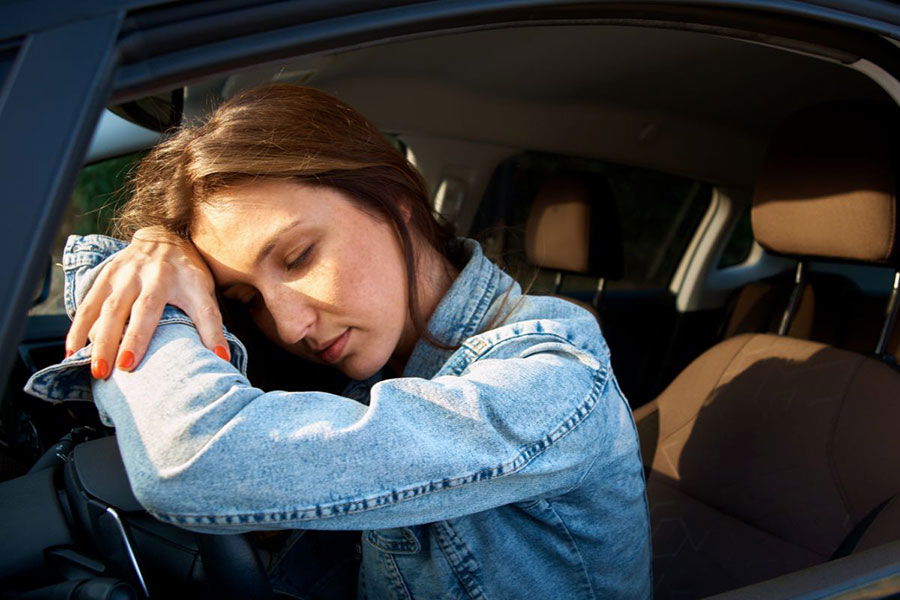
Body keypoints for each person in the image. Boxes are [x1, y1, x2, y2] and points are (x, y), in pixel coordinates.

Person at [26, 84, 652, 599]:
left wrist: (136, 286)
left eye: (297, 258)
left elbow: (194, 461)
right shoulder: (390, 369)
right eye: (247, 301)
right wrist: (157, 248)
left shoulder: (552, 373)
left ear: (397, 200)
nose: (289, 326)